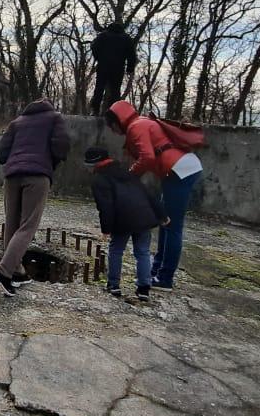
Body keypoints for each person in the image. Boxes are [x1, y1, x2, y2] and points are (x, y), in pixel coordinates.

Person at [105, 100, 202, 291]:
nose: (114, 131)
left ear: (118, 121)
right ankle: (157, 268)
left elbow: (147, 157)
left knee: (172, 226)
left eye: (112, 126)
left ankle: (165, 278)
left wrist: (130, 177)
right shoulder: (141, 122)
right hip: (178, 170)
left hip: (181, 171)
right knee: (164, 221)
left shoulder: (136, 127)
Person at [0, 99, 71, 296]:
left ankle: (17, 272)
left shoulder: (17, 121)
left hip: (12, 176)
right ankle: (3, 273)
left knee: (12, 225)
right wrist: (52, 162)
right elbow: (62, 145)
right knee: (27, 226)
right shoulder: (54, 118)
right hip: (37, 176)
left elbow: (2, 152)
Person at [84, 146, 168, 302]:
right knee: (142, 252)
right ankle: (144, 289)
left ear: (93, 165)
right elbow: (148, 193)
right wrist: (162, 215)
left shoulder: (100, 180)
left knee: (116, 250)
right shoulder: (127, 173)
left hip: (123, 220)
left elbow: (105, 206)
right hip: (144, 217)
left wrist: (106, 229)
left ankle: (113, 285)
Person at [90, 21, 137, 115]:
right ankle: (113, 112)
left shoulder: (103, 36)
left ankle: (95, 110)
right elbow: (131, 54)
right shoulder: (126, 38)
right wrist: (130, 68)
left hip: (104, 65)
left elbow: (94, 47)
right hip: (118, 67)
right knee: (115, 90)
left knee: (99, 87)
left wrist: (99, 58)